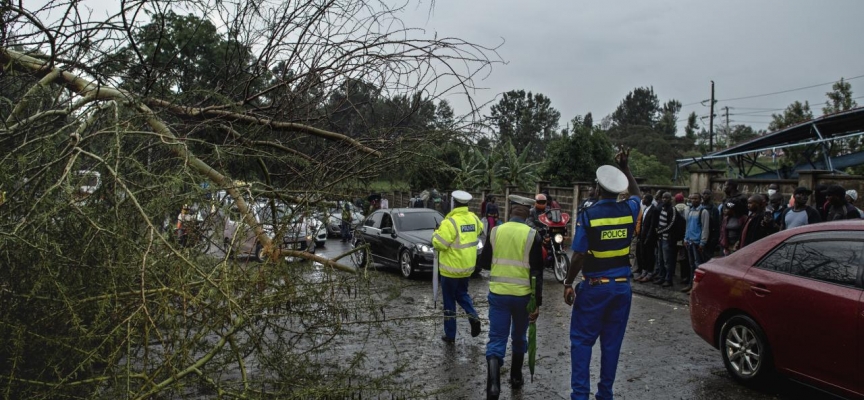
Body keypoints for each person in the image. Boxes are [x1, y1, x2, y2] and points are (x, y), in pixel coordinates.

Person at [562, 147, 641, 400]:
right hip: (622, 287)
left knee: (581, 341)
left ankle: (580, 395)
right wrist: (625, 168)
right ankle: (605, 394)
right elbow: (638, 195)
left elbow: (579, 255)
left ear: (597, 188)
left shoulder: (589, 214)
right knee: (611, 345)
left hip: (595, 287)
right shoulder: (629, 210)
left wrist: (568, 282)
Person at [477, 195, 544, 399]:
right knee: (519, 337)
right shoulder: (533, 235)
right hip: (523, 297)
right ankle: (516, 377)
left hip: (499, 294)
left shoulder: (496, 231)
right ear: (528, 213)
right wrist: (536, 303)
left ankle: (493, 387)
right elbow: (537, 273)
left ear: (511, 211)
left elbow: (485, 263)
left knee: (497, 339)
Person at [431, 190, 484, 344]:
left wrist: (435, 233)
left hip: (450, 270)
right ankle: (473, 316)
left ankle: (450, 335)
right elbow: (480, 229)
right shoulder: (474, 218)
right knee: (462, 294)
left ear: (453, 203)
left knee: (449, 301)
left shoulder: (450, 222)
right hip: (466, 268)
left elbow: (439, 244)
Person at [681, 193, 709, 294]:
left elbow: (705, 228)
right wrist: (685, 238)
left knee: (698, 265)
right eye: (692, 198)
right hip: (689, 242)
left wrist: (702, 242)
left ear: (700, 200)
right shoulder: (690, 211)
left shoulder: (703, 211)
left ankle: (697, 287)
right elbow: (687, 226)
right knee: (691, 265)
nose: (693, 200)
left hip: (697, 243)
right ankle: (691, 284)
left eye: (696, 198)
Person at [634, 194, 659, 283]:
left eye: (644, 198)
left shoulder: (654, 210)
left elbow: (652, 225)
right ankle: (644, 272)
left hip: (649, 237)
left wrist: (648, 237)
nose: (642, 200)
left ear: (648, 200)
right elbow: (642, 223)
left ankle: (649, 273)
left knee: (649, 255)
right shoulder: (645, 209)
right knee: (643, 254)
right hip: (642, 235)